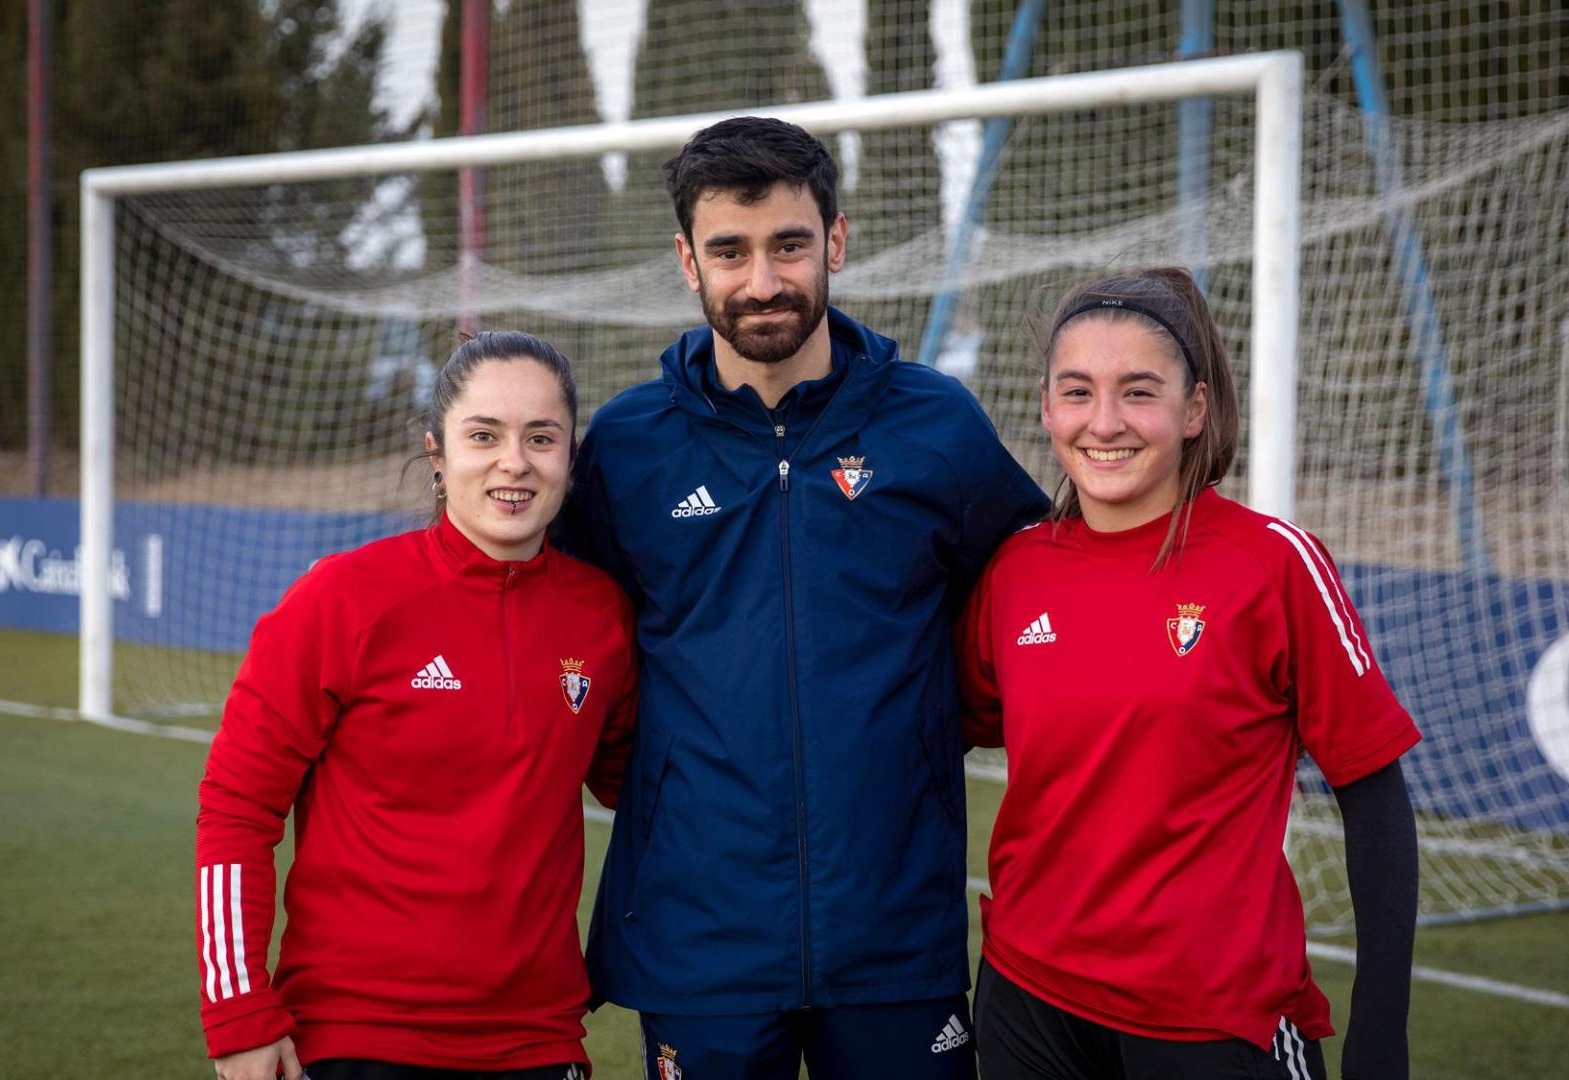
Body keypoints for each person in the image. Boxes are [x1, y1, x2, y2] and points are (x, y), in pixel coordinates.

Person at [557, 117, 1050, 1079]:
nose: (762, 282)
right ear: (685, 260)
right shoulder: (626, 446)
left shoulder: (934, 423)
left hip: (895, 929)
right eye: (728, 251)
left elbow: (1038, 595)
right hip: (701, 936)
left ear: (835, 238)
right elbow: (572, 636)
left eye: (788, 244)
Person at [957, 268, 1421, 1080]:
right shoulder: (1013, 569)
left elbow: (1372, 790)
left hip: (1210, 1020)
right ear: (1045, 406)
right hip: (1027, 1000)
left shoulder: (1272, 564)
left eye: (1138, 392)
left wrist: (1381, 1026)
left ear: (1194, 408)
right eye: (1077, 392)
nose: (1103, 423)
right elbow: (936, 733)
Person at [194, 331, 635, 1080]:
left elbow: (642, 787)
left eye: (541, 437)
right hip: (357, 1038)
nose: (514, 462)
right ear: (437, 453)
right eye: (483, 436)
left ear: (569, 457)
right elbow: (237, 805)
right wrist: (238, 1012)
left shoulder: (602, 617)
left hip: (537, 1042)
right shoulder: (341, 599)